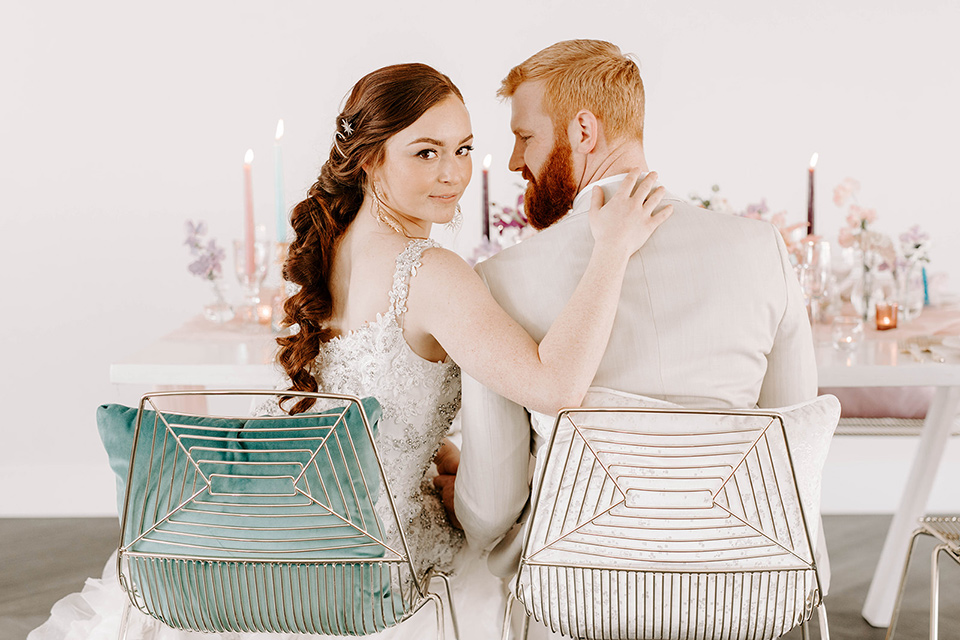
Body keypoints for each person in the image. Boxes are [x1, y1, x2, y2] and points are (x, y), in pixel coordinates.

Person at [28, 62, 671, 640]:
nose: (453, 173)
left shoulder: (328, 251)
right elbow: (556, 387)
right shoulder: (430, 271)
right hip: (369, 553)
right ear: (368, 158)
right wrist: (611, 252)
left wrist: (428, 452)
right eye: (426, 152)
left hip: (276, 522)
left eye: (463, 149)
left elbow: (369, 407)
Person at [450, 39, 823, 635]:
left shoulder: (499, 281)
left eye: (525, 137)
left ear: (583, 130)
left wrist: (456, 499)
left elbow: (492, 507)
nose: (516, 161)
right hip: (745, 591)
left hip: (573, 598)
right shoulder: (762, 251)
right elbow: (791, 451)